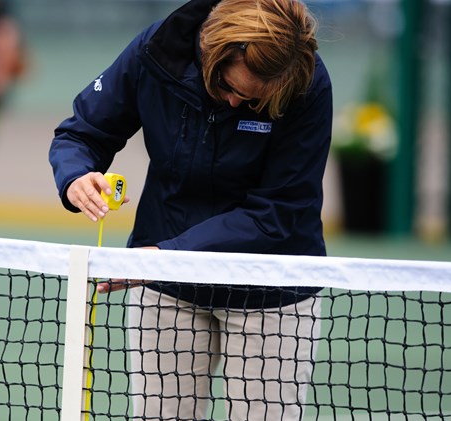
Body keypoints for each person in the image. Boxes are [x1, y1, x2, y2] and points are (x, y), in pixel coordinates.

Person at [48, 0, 332, 419]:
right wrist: (75, 177)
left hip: (271, 289)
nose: (236, 103)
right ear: (211, 52)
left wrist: (165, 257)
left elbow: (278, 211)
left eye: (253, 99)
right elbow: (81, 133)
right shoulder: (155, 49)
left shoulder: (305, 81)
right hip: (166, 285)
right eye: (230, 87)